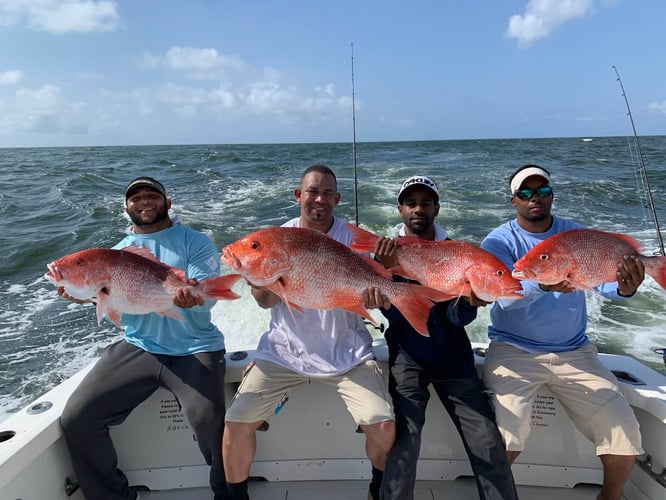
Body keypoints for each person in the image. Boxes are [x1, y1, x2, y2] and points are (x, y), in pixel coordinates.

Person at [221, 165, 396, 500]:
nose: (320, 199)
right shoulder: (276, 238)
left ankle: (377, 488)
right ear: (298, 195)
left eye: (328, 193)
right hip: (283, 353)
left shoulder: (354, 238)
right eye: (313, 191)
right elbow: (264, 302)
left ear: (337, 198)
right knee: (236, 423)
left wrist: (378, 294)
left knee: (384, 426)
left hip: (348, 354)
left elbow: (371, 288)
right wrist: (263, 277)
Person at [480, 164, 645, 500]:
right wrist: (542, 284)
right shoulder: (499, 240)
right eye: (525, 193)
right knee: (507, 434)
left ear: (551, 195)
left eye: (542, 191)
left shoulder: (575, 236)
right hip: (514, 350)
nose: (534, 198)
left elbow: (606, 285)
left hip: (575, 351)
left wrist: (627, 287)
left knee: (623, 429)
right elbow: (502, 297)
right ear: (514, 201)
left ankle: (609, 496)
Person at [59, 176, 228, 500]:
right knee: (78, 417)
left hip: (194, 347)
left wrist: (194, 295)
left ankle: (228, 495)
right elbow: (113, 305)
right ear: (126, 208)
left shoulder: (195, 241)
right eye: (136, 198)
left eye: (152, 195)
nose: (144, 201)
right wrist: (86, 295)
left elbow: (208, 290)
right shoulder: (115, 253)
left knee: (210, 421)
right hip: (139, 346)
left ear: (168, 203)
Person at [366, 175, 518, 500]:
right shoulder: (386, 254)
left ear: (436, 208)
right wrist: (388, 274)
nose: (418, 209)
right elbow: (394, 316)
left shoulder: (458, 253)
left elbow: (455, 318)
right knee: (404, 443)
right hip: (407, 356)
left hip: (453, 358)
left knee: (488, 442)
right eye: (410, 203)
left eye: (425, 202)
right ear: (400, 210)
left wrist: (470, 302)